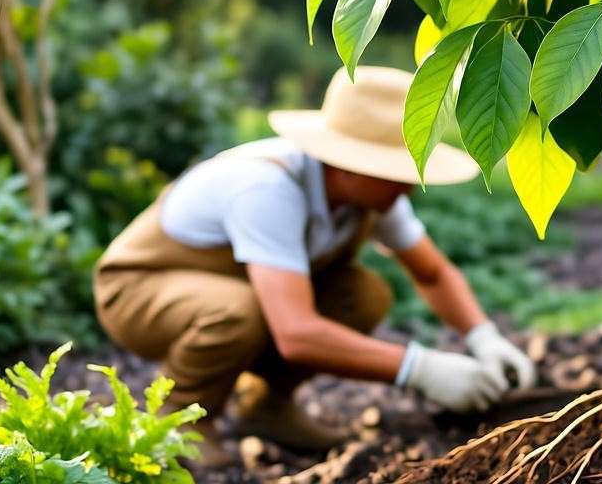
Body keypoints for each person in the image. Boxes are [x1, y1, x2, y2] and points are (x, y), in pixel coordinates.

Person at [93, 66, 536, 468]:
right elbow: (296, 334)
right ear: (349, 163)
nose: (409, 183)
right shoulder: (267, 188)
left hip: (237, 293)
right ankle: (180, 418)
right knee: (236, 311)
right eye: (396, 170)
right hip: (137, 290)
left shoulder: (372, 199)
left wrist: (484, 337)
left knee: (363, 296)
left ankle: (266, 406)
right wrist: (420, 369)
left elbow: (432, 272)